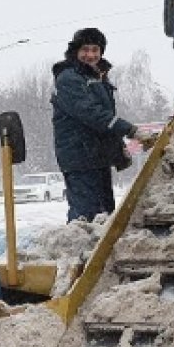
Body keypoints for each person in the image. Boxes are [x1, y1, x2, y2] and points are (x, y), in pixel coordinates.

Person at [51, 28, 151, 222]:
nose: (90, 55)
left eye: (95, 50)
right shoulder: (69, 78)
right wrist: (130, 131)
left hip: (97, 157)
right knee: (86, 216)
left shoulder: (97, 77)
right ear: (76, 51)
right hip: (79, 158)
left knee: (105, 215)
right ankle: (80, 250)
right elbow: (93, 114)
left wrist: (117, 148)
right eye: (85, 50)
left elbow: (104, 121)